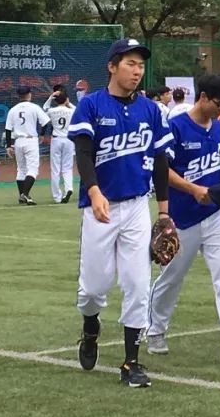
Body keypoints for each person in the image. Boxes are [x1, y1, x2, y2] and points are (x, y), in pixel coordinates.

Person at [70, 38, 175, 387]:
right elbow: (83, 154)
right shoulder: (92, 106)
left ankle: (132, 361)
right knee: (94, 288)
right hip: (100, 208)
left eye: (141, 65)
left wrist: (163, 212)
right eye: (130, 63)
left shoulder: (150, 110)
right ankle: (90, 326)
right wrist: (93, 190)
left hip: (136, 207)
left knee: (137, 283)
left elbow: (161, 160)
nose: (137, 70)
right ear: (112, 66)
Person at [146, 74, 220, 365]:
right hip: (183, 219)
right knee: (172, 278)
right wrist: (193, 189)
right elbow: (163, 171)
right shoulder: (177, 128)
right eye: (219, 103)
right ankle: (155, 329)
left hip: (216, 217)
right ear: (204, 97)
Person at [5, 85, 50, 206]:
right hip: (31, 140)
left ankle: (22, 196)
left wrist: (9, 146)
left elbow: (8, 129)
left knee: (21, 169)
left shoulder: (13, 109)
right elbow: (46, 122)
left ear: (19, 96)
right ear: (29, 94)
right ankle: (25, 194)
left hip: (18, 141)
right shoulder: (34, 107)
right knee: (33, 169)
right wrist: (42, 134)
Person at [45, 89, 76, 204]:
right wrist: (69, 103)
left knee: (55, 169)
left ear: (56, 100)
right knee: (67, 167)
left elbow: (44, 109)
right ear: (66, 99)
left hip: (56, 139)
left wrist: (50, 98)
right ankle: (69, 189)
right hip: (69, 140)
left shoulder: (52, 110)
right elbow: (78, 111)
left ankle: (57, 196)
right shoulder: (71, 111)